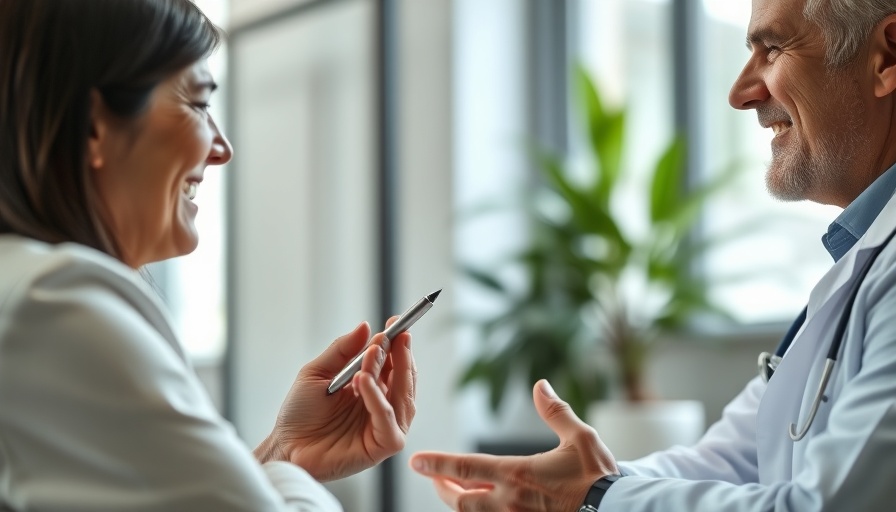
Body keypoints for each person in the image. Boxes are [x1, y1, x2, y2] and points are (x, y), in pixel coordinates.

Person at [410, 0, 896, 510]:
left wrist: (595, 494)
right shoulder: (863, 260)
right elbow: (729, 462)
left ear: (886, 57)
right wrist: (566, 488)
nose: (740, 93)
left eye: (772, 49)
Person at [0, 0, 416, 510]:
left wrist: (286, 455)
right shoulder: (53, 305)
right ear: (94, 126)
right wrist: (287, 476)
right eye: (198, 104)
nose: (221, 148)